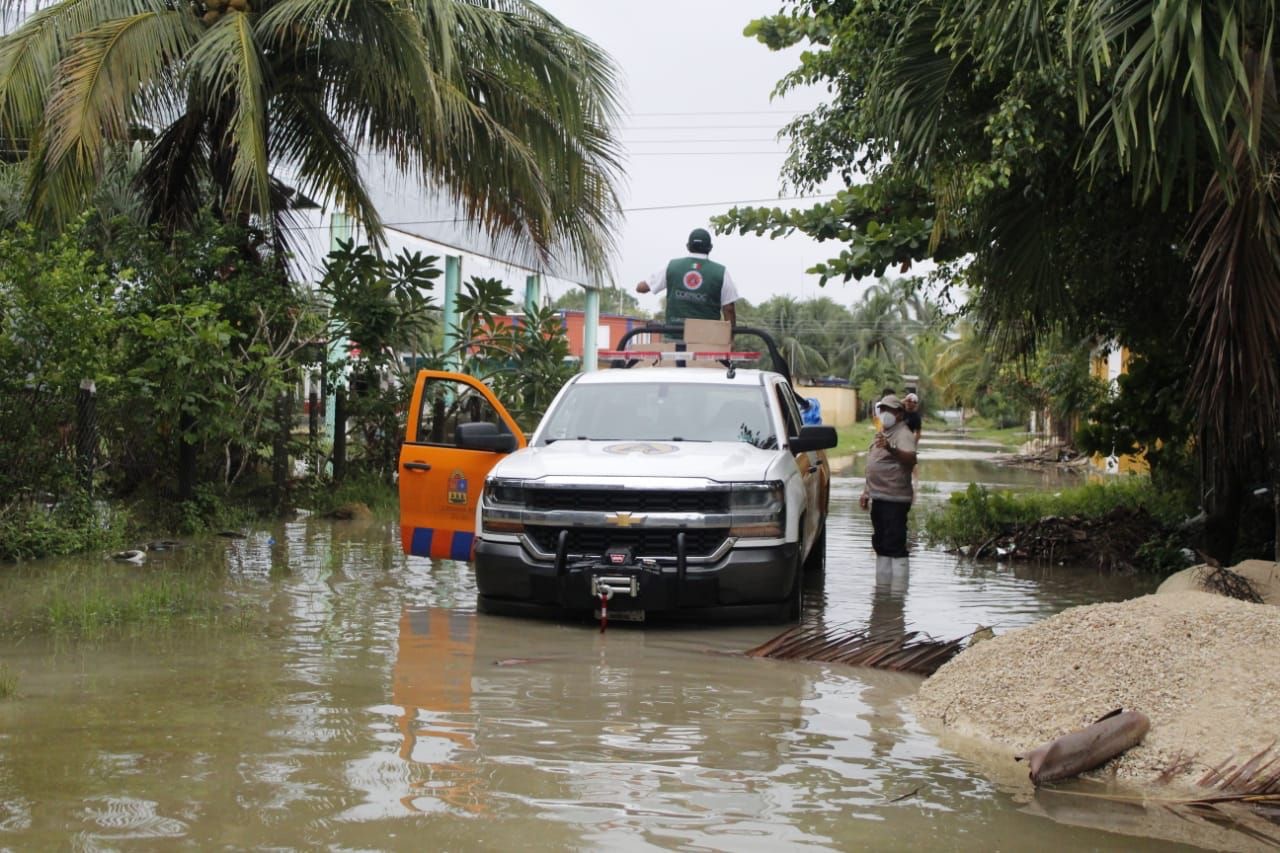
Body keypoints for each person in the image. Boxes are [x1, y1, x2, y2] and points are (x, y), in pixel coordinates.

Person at [859, 393, 918, 575]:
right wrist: (866, 492)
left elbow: (910, 459)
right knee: (881, 543)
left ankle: (897, 596)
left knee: (894, 544)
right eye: (882, 409)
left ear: (899, 414)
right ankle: (883, 594)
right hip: (879, 497)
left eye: (889, 410)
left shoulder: (903, 434)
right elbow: (874, 464)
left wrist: (891, 449)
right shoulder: (883, 433)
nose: (884, 413)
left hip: (895, 499)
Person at [636, 228, 738, 331]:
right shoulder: (721, 272)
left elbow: (642, 288)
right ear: (710, 248)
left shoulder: (671, 266)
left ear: (688, 246)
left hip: (674, 337)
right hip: (707, 340)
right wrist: (730, 337)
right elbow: (729, 308)